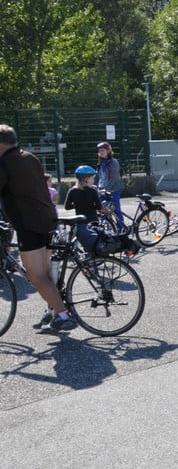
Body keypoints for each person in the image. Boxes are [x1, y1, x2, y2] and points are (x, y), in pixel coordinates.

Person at [0, 125, 80, 333]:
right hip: (47, 219)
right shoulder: (29, 157)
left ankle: (63, 315)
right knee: (44, 273)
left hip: (29, 224)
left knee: (37, 276)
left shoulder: (5, 162)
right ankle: (53, 311)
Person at [64, 165, 104, 255]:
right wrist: (92, 206)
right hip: (93, 222)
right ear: (86, 178)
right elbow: (99, 207)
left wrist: (77, 205)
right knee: (93, 245)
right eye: (92, 178)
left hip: (80, 222)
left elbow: (67, 207)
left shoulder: (72, 191)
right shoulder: (92, 191)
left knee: (84, 242)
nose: (93, 180)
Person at [97, 141, 125, 229]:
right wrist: (95, 187)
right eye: (99, 151)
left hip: (113, 190)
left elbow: (113, 178)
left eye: (102, 150)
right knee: (103, 211)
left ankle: (121, 229)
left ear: (108, 151)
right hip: (102, 190)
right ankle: (105, 229)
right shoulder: (101, 162)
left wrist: (106, 189)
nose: (100, 152)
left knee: (116, 210)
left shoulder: (114, 162)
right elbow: (98, 176)